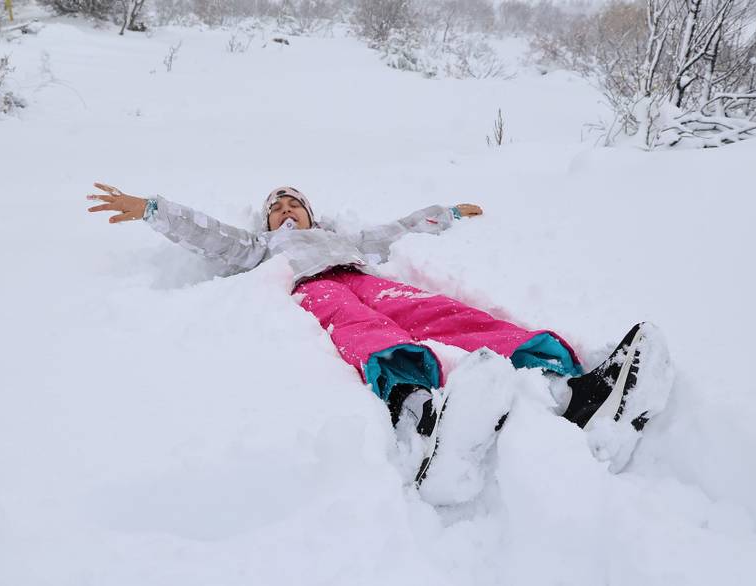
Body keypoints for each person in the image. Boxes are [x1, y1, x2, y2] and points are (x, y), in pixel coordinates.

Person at [87, 182, 668, 480]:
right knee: (362, 329)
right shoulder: (261, 246)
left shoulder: (350, 239)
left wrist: (449, 214)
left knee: (445, 315)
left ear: (314, 214)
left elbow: (398, 228)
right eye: (276, 206)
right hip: (317, 288)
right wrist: (152, 209)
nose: (286, 210)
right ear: (265, 222)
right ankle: (416, 406)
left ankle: (564, 381)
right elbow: (211, 233)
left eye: (295, 203)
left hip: (363, 275)